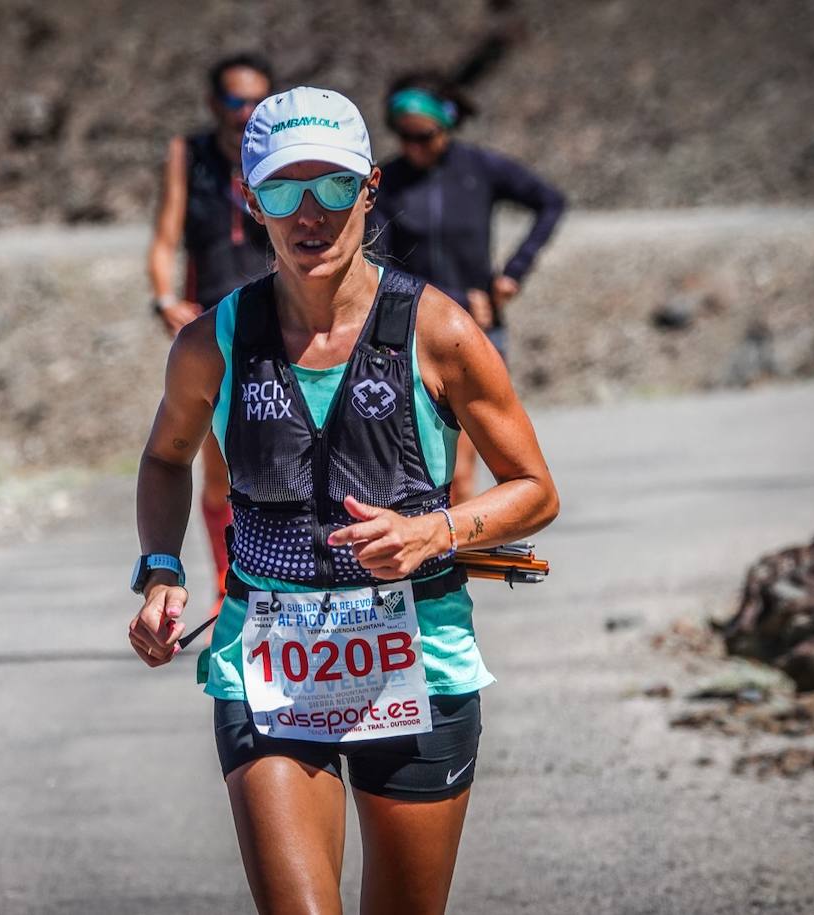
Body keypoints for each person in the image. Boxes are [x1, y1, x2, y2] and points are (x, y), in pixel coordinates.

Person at [127, 86, 559, 913]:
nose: (310, 213)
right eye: (285, 190)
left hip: (417, 665)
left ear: (370, 188)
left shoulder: (439, 331)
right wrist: (158, 568)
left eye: (332, 186)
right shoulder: (209, 343)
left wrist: (435, 530)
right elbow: (164, 457)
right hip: (270, 669)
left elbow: (535, 490)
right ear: (252, 201)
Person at [371, 71, 566, 505]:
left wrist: (513, 273)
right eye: (403, 135)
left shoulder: (480, 169)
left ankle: (452, 559)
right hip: (411, 333)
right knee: (410, 466)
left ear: (449, 124)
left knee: (460, 473)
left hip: (478, 327)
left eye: (424, 135)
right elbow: (376, 258)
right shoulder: (387, 182)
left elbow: (551, 202)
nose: (412, 146)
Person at [146, 52, 274, 619]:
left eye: (255, 101)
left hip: (278, 316)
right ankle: (229, 584)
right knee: (219, 462)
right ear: (213, 102)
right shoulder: (189, 155)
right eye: (233, 100)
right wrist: (164, 297)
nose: (244, 112)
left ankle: (278, 572)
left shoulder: (276, 154)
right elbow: (165, 236)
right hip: (214, 326)